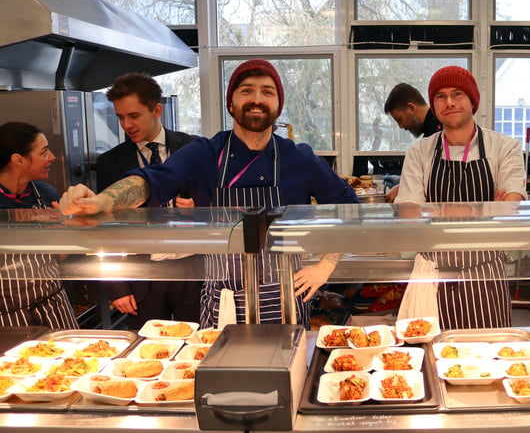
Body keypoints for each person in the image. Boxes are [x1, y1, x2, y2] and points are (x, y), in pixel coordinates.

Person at [56, 59, 360, 329]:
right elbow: (149, 181)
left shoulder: (299, 158)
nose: (257, 99)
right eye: (246, 91)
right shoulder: (203, 153)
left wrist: (326, 266)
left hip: (283, 298)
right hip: (222, 299)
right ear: (231, 104)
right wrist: (102, 201)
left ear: (278, 106)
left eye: (267, 92)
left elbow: (349, 207)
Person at [395, 66, 527, 330]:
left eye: (458, 94)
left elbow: (511, 207)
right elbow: (409, 213)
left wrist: (432, 210)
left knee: (488, 355)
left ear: (472, 100)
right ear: (433, 106)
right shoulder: (419, 152)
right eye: (441, 97)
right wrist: (485, 207)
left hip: (484, 272)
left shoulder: (505, 147)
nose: (450, 102)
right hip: (431, 273)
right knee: (430, 357)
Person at [96, 73, 202, 330]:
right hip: (142, 275)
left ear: (157, 110)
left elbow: (222, 204)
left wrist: (199, 206)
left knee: (201, 346)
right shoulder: (110, 163)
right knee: (147, 350)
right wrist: (117, 287)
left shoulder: (195, 148)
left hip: (195, 269)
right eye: (120, 117)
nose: (126, 125)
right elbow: (105, 231)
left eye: (134, 116)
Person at [0, 121, 79, 329]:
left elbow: (60, 256)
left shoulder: (46, 193)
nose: (52, 157)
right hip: (7, 313)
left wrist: (64, 235)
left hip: (53, 304)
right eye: (44, 152)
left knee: (75, 360)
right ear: (18, 159)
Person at [383, 83, 442, 202]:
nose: (400, 126)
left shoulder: (437, 132)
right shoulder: (429, 133)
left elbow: (437, 179)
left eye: (399, 119)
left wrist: (402, 189)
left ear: (411, 108)